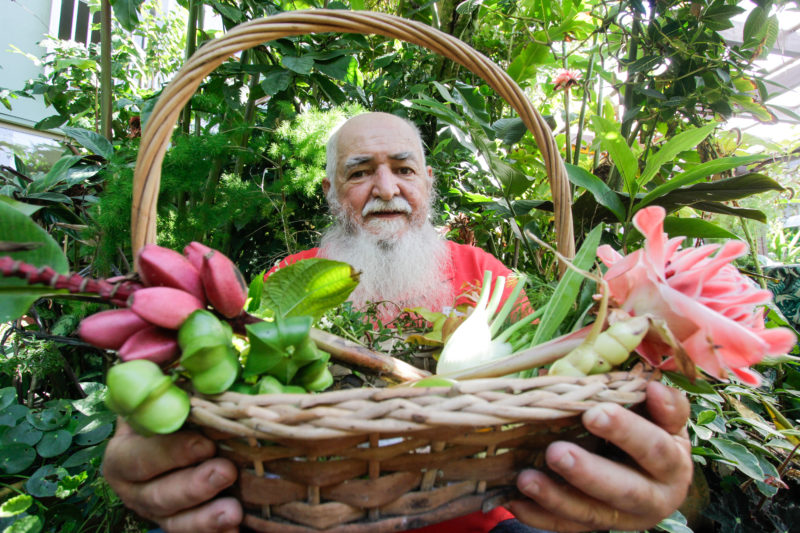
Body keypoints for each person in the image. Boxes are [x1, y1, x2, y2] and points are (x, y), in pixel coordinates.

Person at [102, 112, 693, 533]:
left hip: (476, 520)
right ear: (332, 191)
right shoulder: (287, 280)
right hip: (302, 514)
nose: (386, 189)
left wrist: (616, 451)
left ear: (427, 183)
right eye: (360, 172)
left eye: (404, 169)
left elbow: (552, 392)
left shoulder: (488, 276)